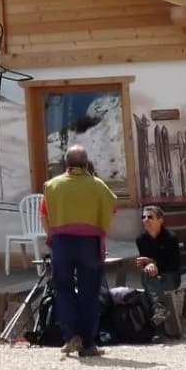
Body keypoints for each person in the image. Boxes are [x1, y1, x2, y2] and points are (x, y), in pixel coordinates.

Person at [41, 144, 116, 358]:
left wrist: (52, 239)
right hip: (89, 244)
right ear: (86, 162)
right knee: (89, 293)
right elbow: (112, 207)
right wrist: (100, 228)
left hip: (62, 243)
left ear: (66, 163)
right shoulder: (98, 185)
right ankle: (89, 343)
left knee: (63, 289)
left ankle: (71, 336)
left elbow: (44, 215)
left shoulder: (52, 186)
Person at [134, 204, 183, 289]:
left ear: (160, 220)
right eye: (143, 217)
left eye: (150, 217)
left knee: (156, 284)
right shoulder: (141, 239)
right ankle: (155, 301)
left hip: (170, 275)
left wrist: (154, 262)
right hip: (152, 275)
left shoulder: (170, 237)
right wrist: (148, 265)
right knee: (147, 275)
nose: (146, 220)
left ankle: (154, 301)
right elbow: (145, 263)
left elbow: (173, 265)